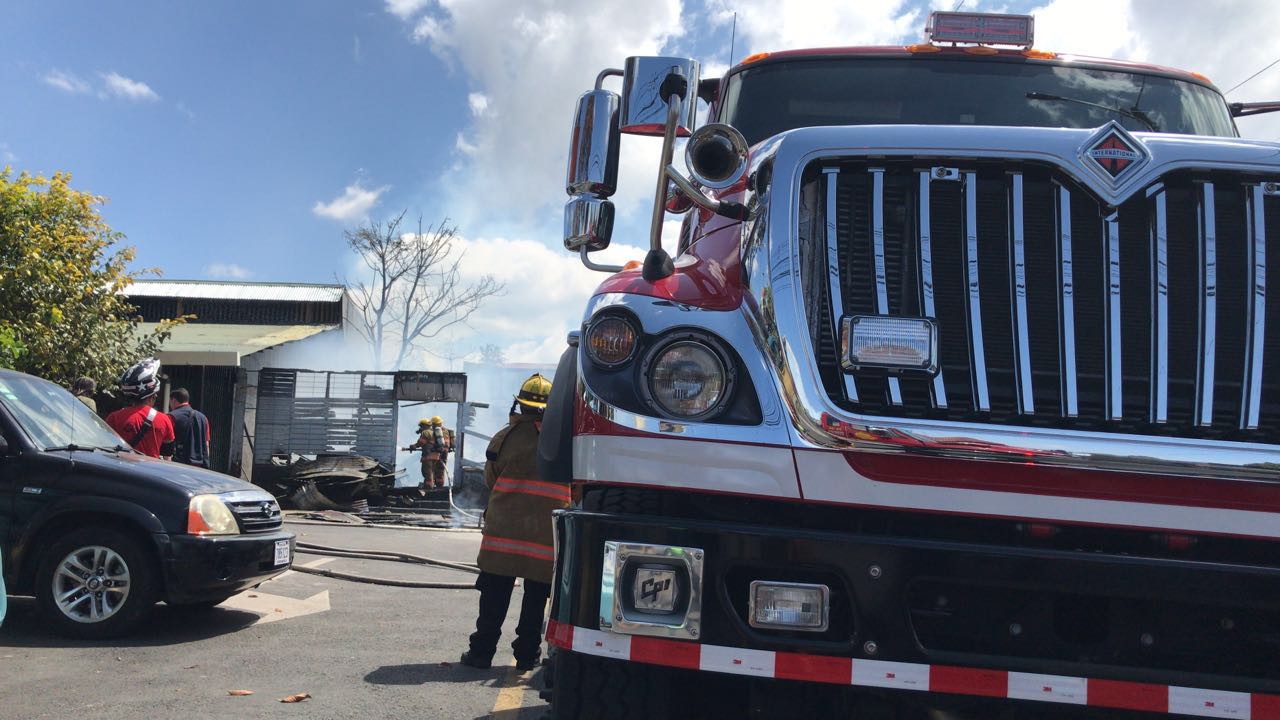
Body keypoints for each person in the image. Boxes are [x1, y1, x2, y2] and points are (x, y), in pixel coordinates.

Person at [460, 373, 565, 672]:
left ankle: (481, 653)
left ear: (520, 405)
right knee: (536, 599)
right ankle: (526, 655)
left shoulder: (505, 436)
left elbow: (490, 478)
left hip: (503, 535)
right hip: (545, 539)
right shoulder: (564, 440)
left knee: (493, 595)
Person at [105, 358, 175, 460]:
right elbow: (167, 456)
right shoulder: (164, 420)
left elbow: (107, 448)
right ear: (153, 397)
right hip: (150, 473)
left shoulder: (114, 418)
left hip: (121, 471)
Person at [168, 388, 211, 468]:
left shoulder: (171, 417)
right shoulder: (203, 418)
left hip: (179, 465)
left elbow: (167, 442)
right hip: (199, 466)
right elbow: (206, 444)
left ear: (173, 400)